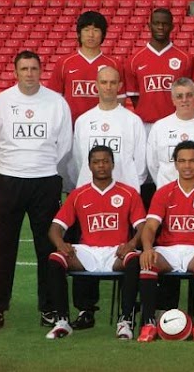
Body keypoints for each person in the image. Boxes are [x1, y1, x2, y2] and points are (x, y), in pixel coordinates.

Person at [0, 50, 73, 332]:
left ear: (41, 71)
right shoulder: (0, 102)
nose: (29, 73)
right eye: (24, 69)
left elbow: (64, 144)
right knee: (0, 245)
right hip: (10, 180)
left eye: (34, 68)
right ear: (15, 72)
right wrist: (9, 166)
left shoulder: (56, 102)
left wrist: (44, 167)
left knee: (48, 245)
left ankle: (50, 307)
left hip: (45, 181)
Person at [43, 145, 145, 340]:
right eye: (96, 162)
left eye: (105, 161)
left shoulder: (129, 193)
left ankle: (125, 321)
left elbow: (143, 227)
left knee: (134, 260)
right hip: (87, 252)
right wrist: (60, 244)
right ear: (89, 166)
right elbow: (55, 228)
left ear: (113, 164)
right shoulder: (78, 194)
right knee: (55, 259)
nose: (101, 166)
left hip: (116, 252)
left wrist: (131, 244)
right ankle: (62, 321)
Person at [135, 141, 194, 342]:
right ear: (175, 164)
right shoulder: (163, 192)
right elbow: (150, 227)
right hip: (168, 249)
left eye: (192, 161)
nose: (187, 166)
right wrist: (147, 249)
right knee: (148, 262)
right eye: (182, 161)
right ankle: (149, 324)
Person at [71, 66, 147, 192]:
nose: (108, 87)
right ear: (96, 85)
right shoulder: (83, 121)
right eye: (104, 82)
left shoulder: (133, 121)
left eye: (113, 82)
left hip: (124, 189)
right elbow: (78, 159)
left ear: (119, 86)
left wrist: (133, 185)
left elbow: (141, 161)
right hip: (89, 189)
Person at [145, 78, 194, 190]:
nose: (184, 100)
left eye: (189, 95)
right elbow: (153, 165)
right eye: (179, 96)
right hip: (169, 194)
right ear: (173, 100)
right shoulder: (159, 127)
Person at [124, 7, 194, 135]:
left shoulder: (185, 58)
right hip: (146, 125)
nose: (160, 27)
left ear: (172, 27)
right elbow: (135, 98)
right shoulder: (134, 60)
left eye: (165, 24)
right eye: (156, 23)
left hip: (176, 124)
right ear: (149, 26)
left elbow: (189, 94)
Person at [49, 10, 122, 122]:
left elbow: (120, 98)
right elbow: (55, 98)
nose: (91, 35)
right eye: (86, 30)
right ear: (79, 33)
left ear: (103, 34)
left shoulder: (114, 64)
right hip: (72, 126)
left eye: (96, 30)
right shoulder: (64, 63)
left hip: (104, 125)